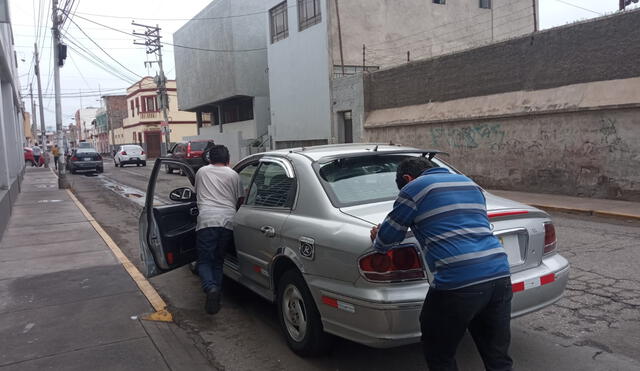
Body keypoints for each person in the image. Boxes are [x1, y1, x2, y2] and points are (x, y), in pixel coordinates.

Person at [370, 157, 513, 371]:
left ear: (408, 179)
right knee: (497, 357)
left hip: (458, 282)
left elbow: (387, 240)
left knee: (439, 354)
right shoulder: (469, 183)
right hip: (500, 276)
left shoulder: (414, 188)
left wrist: (377, 236)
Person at [194, 145, 244, 314]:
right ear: (227, 159)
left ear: (210, 159)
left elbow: (197, 194)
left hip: (207, 221)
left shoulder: (201, 172)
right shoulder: (234, 175)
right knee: (218, 261)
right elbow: (240, 200)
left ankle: (210, 289)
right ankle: (217, 295)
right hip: (228, 221)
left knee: (204, 261)